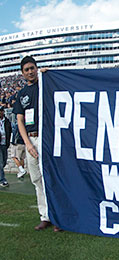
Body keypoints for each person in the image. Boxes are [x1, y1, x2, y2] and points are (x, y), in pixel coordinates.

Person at [13, 56, 61, 232]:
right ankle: (45, 216)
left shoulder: (45, 85)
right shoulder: (22, 94)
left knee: (51, 177)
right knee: (36, 179)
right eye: (26, 69)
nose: (30, 72)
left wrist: (50, 75)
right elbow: (20, 120)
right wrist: (28, 144)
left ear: (36, 68)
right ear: (22, 73)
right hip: (30, 140)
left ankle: (58, 216)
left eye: (32, 68)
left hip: (46, 137)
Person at [0, 106, 12, 187]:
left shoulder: (7, 121)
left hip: (5, 143)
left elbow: (9, 130)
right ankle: (2, 180)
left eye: (1, 111)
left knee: (4, 162)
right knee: (0, 163)